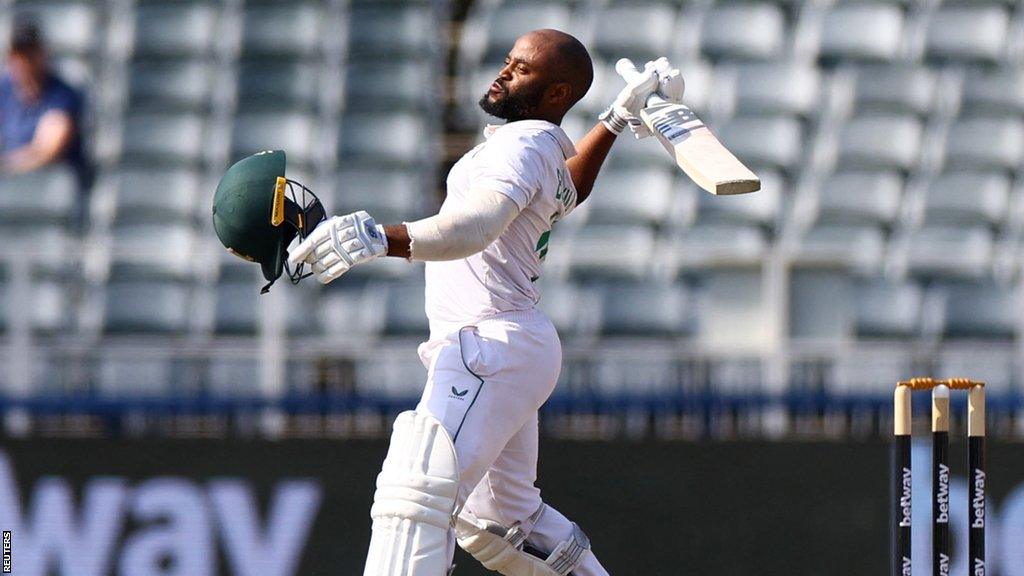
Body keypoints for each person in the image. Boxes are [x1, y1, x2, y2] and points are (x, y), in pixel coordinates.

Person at [289, 29, 681, 575]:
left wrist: (382, 238)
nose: (503, 72)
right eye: (507, 61)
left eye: (522, 70)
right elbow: (570, 190)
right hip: (508, 345)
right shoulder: (538, 149)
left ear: (555, 95)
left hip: (487, 344)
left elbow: (475, 227)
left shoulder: (521, 147)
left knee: (416, 490)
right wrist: (613, 120)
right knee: (502, 523)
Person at [0, 21, 91, 225]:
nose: (23, 62)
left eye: (29, 54)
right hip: (13, 196)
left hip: (53, 198)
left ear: (42, 54)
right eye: (18, 55)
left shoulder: (62, 96)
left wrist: (6, 165)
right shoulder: (4, 90)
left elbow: (48, 150)